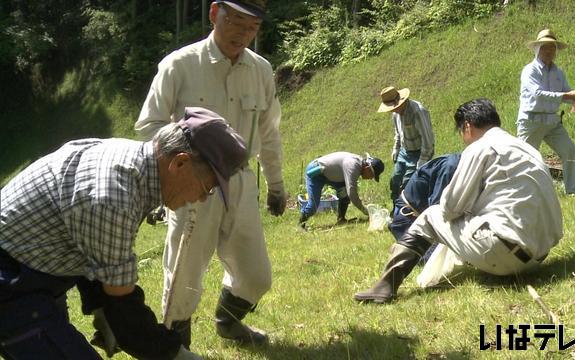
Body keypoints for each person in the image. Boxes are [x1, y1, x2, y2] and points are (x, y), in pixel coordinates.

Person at [0, 107, 247, 359]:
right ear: (180, 162)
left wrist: (99, 308)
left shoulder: (133, 167)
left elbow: (88, 245)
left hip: (33, 271)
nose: (203, 198)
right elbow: (124, 310)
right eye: (208, 187)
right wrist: (178, 355)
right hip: (11, 283)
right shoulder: (115, 196)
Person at [134, 0, 285, 346]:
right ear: (214, 13)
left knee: (256, 275)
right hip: (192, 184)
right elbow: (149, 126)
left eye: (252, 27)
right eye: (236, 22)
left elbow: (269, 132)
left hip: (242, 182)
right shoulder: (179, 65)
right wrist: (173, 170)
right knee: (184, 276)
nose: (243, 34)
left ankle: (228, 323)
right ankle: (176, 346)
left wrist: (276, 185)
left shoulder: (261, 70)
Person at [355, 98, 563, 304]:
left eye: (462, 132)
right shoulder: (527, 148)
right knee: (474, 220)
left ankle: (386, 286)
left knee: (431, 215)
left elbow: (449, 208)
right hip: (539, 258)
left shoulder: (481, 147)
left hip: (507, 258)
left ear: (467, 126)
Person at [517, 29, 575, 194]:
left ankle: (573, 191)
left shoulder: (558, 73)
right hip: (531, 121)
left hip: (552, 121)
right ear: (537, 49)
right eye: (545, 47)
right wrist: (566, 95)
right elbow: (539, 94)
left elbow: (565, 94)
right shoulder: (530, 70)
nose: (549, 51)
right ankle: (522, 194)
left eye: (552, 48)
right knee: (524, 159)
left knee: (569, 150)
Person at [377, 86, 435, 203]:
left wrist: (422, 161)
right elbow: (398, 133)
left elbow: (428, 139)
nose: (393, 110)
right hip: (404, 151)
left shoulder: (418, 111)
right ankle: (396, 207)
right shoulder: (395, 114)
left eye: (394, 107)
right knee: (395, 180)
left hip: (419, 152)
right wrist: (396, 148)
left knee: (408, 182)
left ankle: (408, 209)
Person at [298, 152, 384, 230]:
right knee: (313, 205)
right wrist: (366, 211)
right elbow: (352, 193)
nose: (370, 178)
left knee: (344, 193)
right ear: (368, 168)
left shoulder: (358, 165)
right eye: (372, 175)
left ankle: (341, 219)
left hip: (330, 174)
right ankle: (301, 225)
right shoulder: (353, 166)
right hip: (316, 172)